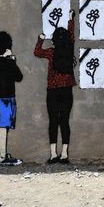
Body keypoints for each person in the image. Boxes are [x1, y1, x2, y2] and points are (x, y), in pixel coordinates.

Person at [34, 10, 76, 164]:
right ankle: (64, 154)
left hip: (52, 91)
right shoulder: (69, 48)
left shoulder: (51, 52)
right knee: (64, 121)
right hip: (67, 90)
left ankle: (53, 154)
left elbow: (37, 52)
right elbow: (71, 35)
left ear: (54, 41)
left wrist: (40, 39)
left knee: (53, 121)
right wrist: (71, 19)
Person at [0, 31, 23, 166]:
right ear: (8, 47)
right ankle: (3, 157)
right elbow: (19, 77)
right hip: (6, 100)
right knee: (3, 128)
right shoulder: (8, 64)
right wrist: (13, 61)